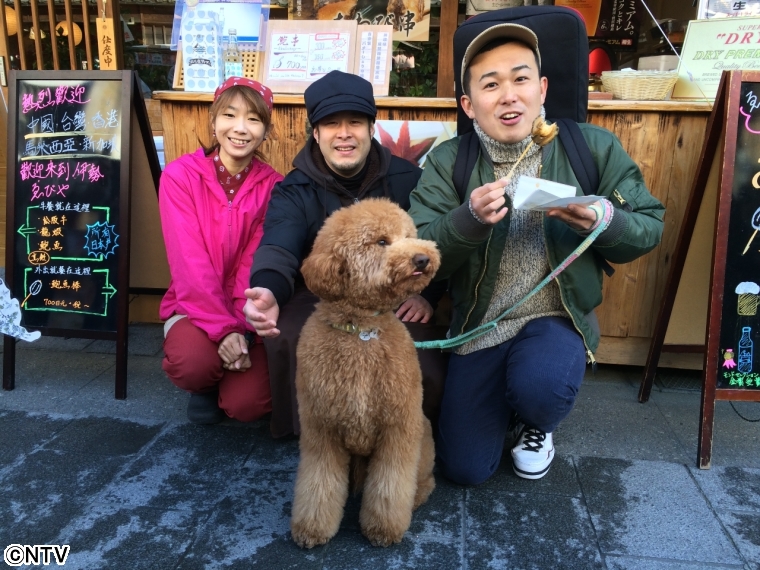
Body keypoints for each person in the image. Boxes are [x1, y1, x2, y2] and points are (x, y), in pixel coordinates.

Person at [408, 24, 665, 483]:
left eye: (521, 79)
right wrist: (467, 220)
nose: (509, 96)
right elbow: (419, 252)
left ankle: (537, 420)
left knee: (541, 387)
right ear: (468, 105)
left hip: (555, 318)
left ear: (542, 88)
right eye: (491, 85)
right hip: (480, 326)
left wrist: (603, 219)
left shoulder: (591, 147)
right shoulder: (450, 161)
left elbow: (648, 227)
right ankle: (510, 401)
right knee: (465, 468)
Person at [243, 70, 449, 438]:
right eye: (331, 124)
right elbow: (279, 244)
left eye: (354, 122)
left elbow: (433, 239)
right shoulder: (295, 188)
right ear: (316, 133)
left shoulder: (409, 179)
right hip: (324, 292)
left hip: (396, 292)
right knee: (289, 333)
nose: (344, 133)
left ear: (370, 127)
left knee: (424, 359)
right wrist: (269, 289)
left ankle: (408, 438)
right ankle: (312, 437)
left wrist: (427, 295)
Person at [159, 77, 283, 425]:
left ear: (266, 131)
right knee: (193, 364)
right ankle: (205, 384)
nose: (240, 128)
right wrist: (222, 329)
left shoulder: (275, 186)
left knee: (249, 406)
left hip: (246, 311)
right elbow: (189, 262)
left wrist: (240, 329)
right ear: (213, 121)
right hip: (193, 306)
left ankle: (229, 367)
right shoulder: (180, 176)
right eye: (229, 115)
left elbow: (255, 262)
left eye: (253, 119)